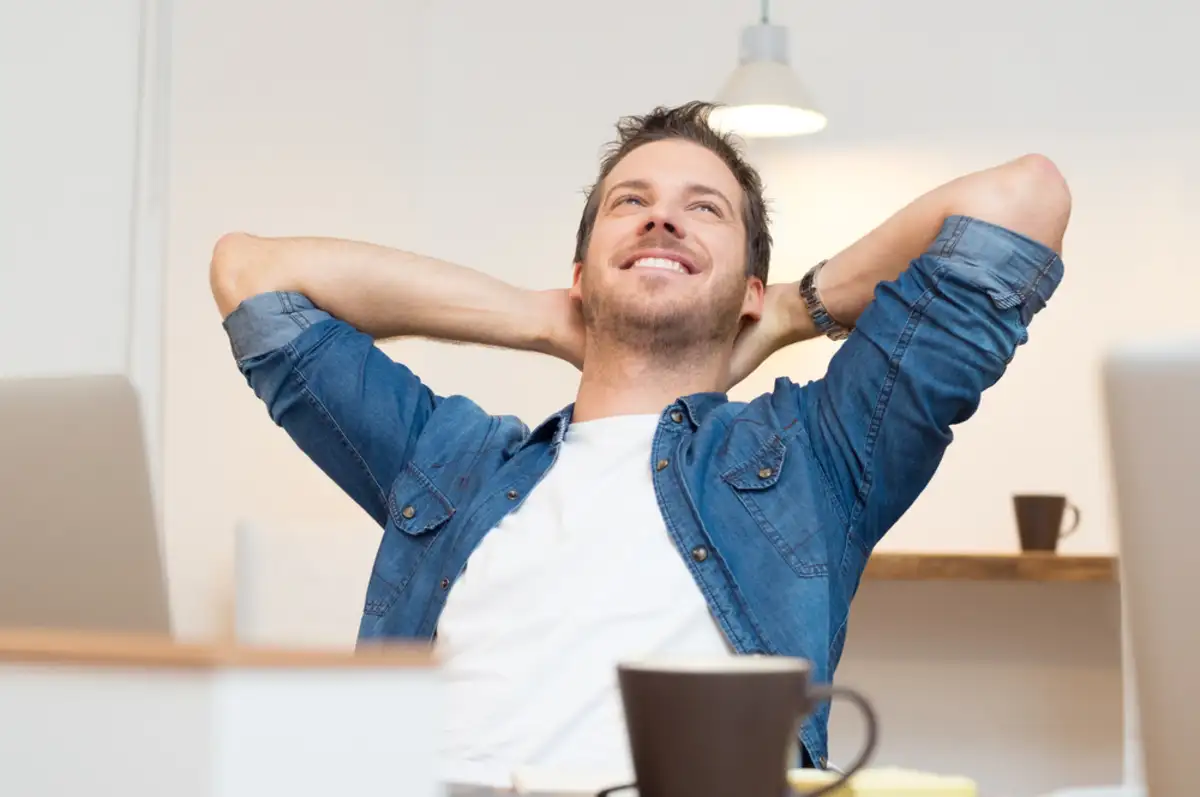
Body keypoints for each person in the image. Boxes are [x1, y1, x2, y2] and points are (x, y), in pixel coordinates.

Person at [210, 101, 1070, 787]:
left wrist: (785, 315)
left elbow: (1021, 200)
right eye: (632, 204)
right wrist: (539, 317)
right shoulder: (451, 456)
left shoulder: (816, 456)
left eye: (704, 210)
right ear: (581, 272)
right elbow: (252, 276)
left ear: (747, 285)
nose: (663, 221)